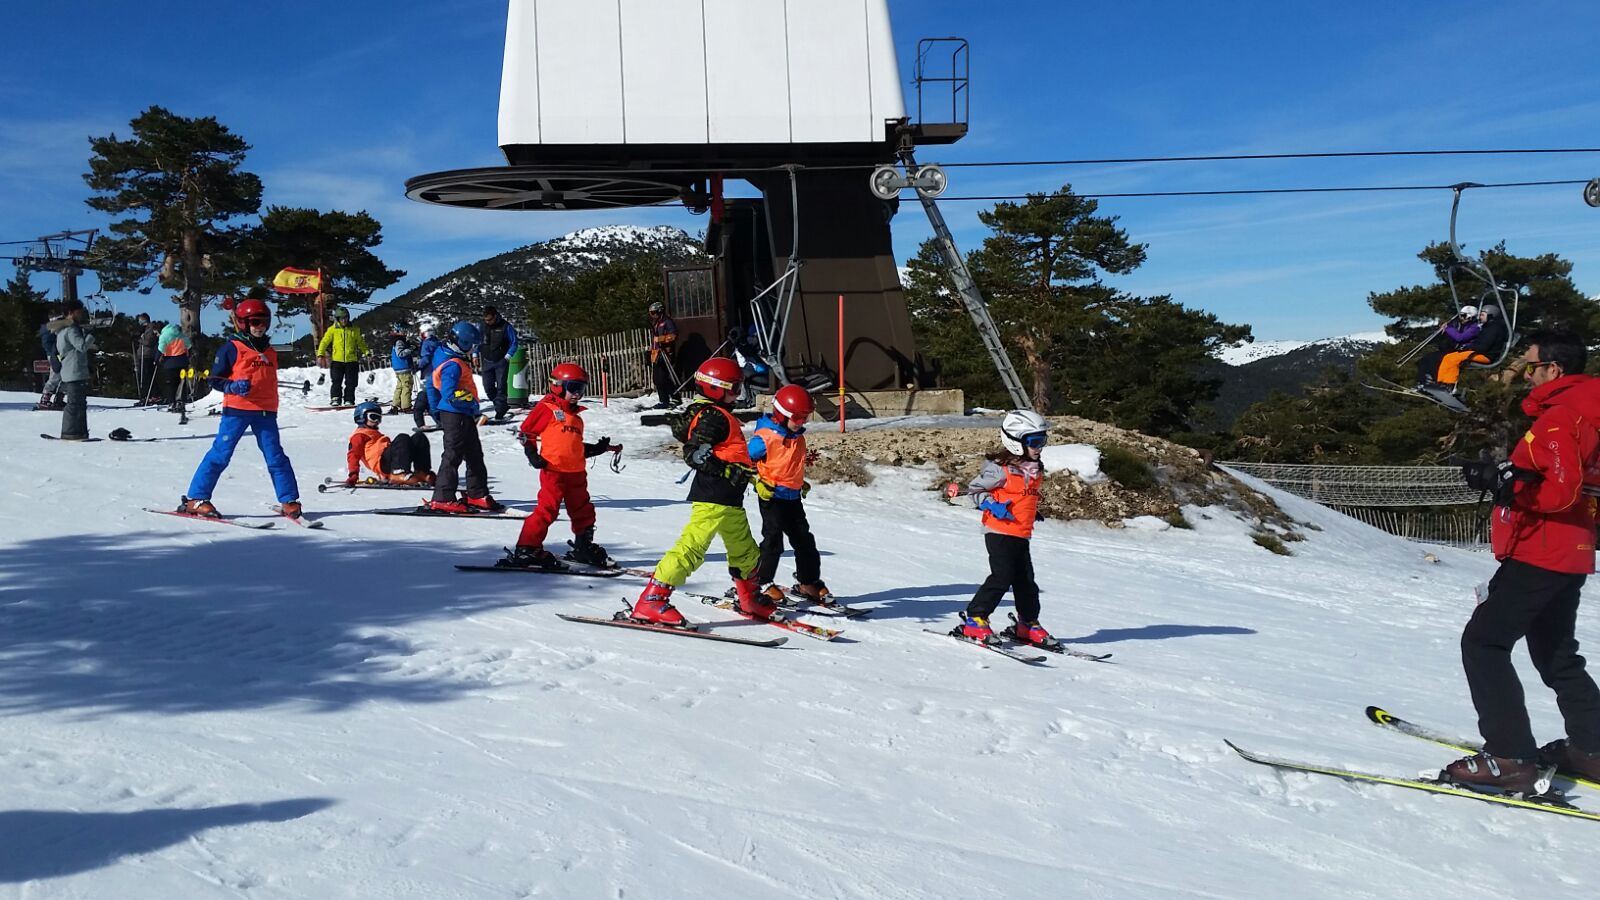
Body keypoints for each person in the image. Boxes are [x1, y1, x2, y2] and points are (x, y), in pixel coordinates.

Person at [1449, 331, 1600, 791]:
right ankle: (1593, 750)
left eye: (1532, 366)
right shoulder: (1591, 411)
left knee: (1484, 642)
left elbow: (1559, 491)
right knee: (1555, 654)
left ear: (1554, 370)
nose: (1527, 375)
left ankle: (1509, 757)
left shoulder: (1560, 417)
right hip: (1573, 547)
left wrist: (1503, 484)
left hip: (1542, 548)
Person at [629, 357, 771, 625]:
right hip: (713, 496)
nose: (738, 394)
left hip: (729, 499)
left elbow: (730, 457)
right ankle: (652, 600)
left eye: (739, 387)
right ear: (715, 389)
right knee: (692, 548)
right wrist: (726, 469)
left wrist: (752, 477)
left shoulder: (717, 413)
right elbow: (694, 453)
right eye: (733, 389)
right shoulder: (713, 417)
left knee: (745, 550)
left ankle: (749, 597)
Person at [179, 299, 303, 518]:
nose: (260, 326)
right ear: (243, 323)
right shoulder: (231, 348)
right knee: (221, 454)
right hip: (237, 411)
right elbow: (215, 379)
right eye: (254, 322)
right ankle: (196, 498)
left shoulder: (270, 351)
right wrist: (232, 386)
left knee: (276, 456)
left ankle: (289, 499)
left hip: (265, 412)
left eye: (264, 321)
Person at [499, 363, 618, 569]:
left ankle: (583, 547)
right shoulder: (547, 408)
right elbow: (527, 432)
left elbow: (572, 446)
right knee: (547, 509)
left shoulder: (576, 417)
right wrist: (532, 454)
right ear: (557, 385)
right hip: (553, 470)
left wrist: (598, 448)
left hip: (576, 473)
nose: (577, 394)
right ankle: (527, 548)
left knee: (584, 510)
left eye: (581, 389)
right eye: (573, 388)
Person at [956, 410, 1057, 647]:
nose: (1039, 447)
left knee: (1026, 581)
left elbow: (1023, 494)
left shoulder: (1034, 467)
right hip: (999, 531)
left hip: (1021, 532)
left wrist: (1032, 510)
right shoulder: (999, 468)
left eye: (1042, 440)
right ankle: (976, 619)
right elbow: (975, 491)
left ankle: (1027, 623)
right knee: (1002, 577)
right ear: (1015, 441)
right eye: (1034, 441)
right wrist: (992, 505)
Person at [748, 385, 831, 604]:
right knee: (773, 541)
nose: (802, 422)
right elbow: (745, 461)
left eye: (805, 417)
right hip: (771, 496)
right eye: (798, 417)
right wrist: (756, 479)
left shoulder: (797, 437)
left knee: (805, 541)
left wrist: (798, 481)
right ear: (782, 415)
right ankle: (761, 583)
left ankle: (808, 582)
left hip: (792, 497)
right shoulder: (765, 438)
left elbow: (788, 463)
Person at [428, 321, 502, 514]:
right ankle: (443, 497)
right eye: (470, 346)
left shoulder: (453, 356)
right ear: (461, 343)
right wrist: (465, 398)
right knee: (453, 454)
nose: (472, 350)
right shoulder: (452, 364)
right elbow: (448, 392)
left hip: (464, 413)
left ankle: (476, 494)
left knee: (474, 454)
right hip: (454, 414)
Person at [1419, 305, 1509, 392]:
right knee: (1448, 357)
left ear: (1490, 316)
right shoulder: (1487, 327)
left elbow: (1483, 346)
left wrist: (1468, 347)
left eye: (1482, 315)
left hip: (1486, 356)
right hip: (1478, 352)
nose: (1480, 317)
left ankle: (1450, 385)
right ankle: (1441, 383)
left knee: (1453, 359)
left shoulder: (1494, 329)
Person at [345, 401, 434, 486]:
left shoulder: (375, 433)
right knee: (402, 438)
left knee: (419, 437)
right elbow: (353, 455)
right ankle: (398, 473)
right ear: (361, 418)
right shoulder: (359, 435)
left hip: (391, 459)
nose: (376, 421)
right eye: (373, 417)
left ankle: (422, 472)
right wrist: (353, 475)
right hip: (381, 463)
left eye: (379, 418)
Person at [51, 300, 96, 440]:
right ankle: (71, 432)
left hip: (70, 370)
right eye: (79, 311)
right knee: (75, 403)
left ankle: (79, 432)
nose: (81, 313)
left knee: (78, 402)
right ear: (71, 312)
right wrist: (91, 335)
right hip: (74, 370)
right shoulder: (71, 328)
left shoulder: (62, 329)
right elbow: (81, 346)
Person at [316, 307, 368, 406]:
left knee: (351, 382)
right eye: (342, 318)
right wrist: (320, 354)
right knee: (336, 381)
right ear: (337, 319)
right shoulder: (333, 330)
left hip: (351, 360)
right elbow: (324, 341)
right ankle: (336, 398)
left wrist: (367, 352)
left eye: (346, 318)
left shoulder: (354, 329)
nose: (344, 320)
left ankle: (349, 399)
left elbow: (361, 343)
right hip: (337, 361)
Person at [476, 306, 518, 421]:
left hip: (501, 360)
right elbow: (478, 341)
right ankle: (501, 405)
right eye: (486, 320)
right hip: (486, 360)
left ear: (495, 316)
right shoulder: (482, 327)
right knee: (488, 387)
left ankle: (500, 411)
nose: (488, 322)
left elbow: (514, 342)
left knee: (501, 386)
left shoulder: (506, 326)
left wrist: (508, 356)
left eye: (490, 319)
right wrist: (475, 354)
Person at [648, 301, 679, 409]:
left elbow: (673, 335)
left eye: (654, 312)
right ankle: (664, 400)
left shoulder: (667, 321)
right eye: (651, 313)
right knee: (657, 379)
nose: (652, 315)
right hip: (657, 353)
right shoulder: (656, 323)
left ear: (659, 311)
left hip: (665, 353)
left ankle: (674, 398)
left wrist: (661, 339)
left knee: (663, 378)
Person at [157, 319, 190, 409]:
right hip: (182, 362)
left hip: (169, 363)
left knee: (171, 384)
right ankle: (181, 402)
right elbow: (189, 345)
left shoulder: (164, 336)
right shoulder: (181, 335)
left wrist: (157, 360)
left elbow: (161, 350)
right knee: (181, 383)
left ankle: (172, 402)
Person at [414, 323, 440, 429]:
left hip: (428, 373)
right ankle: (440, 420)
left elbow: (426, 358)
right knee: (433, 398)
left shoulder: (426, 344)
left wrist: (417, 366)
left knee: (423, 400)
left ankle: (421, 423)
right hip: (438, 373)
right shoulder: (437, 342)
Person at [135, 313, 160, 403]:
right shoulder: (145, 329)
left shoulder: (150, 328)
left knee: (147, 376)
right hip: (143, 354)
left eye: (140, 320)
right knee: (143, 376)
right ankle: (147, 395)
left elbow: (148, 342)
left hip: (147, 355)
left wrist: (140, 339)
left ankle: (153, 395)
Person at [389, 333, 417, 413]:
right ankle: (406, 406)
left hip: (398, 367)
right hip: (403, 367)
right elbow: (400, 353)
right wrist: (411, 349)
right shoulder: (399, 341)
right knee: (406, 386)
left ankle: (395, 405)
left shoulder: (396, 341)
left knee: (400, 387)